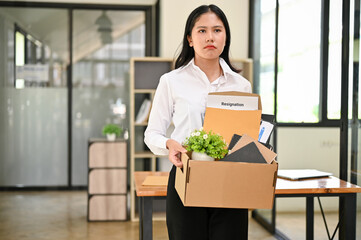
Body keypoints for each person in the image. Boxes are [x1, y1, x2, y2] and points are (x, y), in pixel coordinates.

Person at [144, 4, 251, 240]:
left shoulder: (241, 85)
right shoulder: (171, 81)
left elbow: (246, 137)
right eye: (202, 31)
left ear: (225, 38)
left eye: (217, 30)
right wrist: (170, 144)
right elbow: (152, 134)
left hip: (230, 181)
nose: (210, 37)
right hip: (186, 177)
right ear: (190, 39)